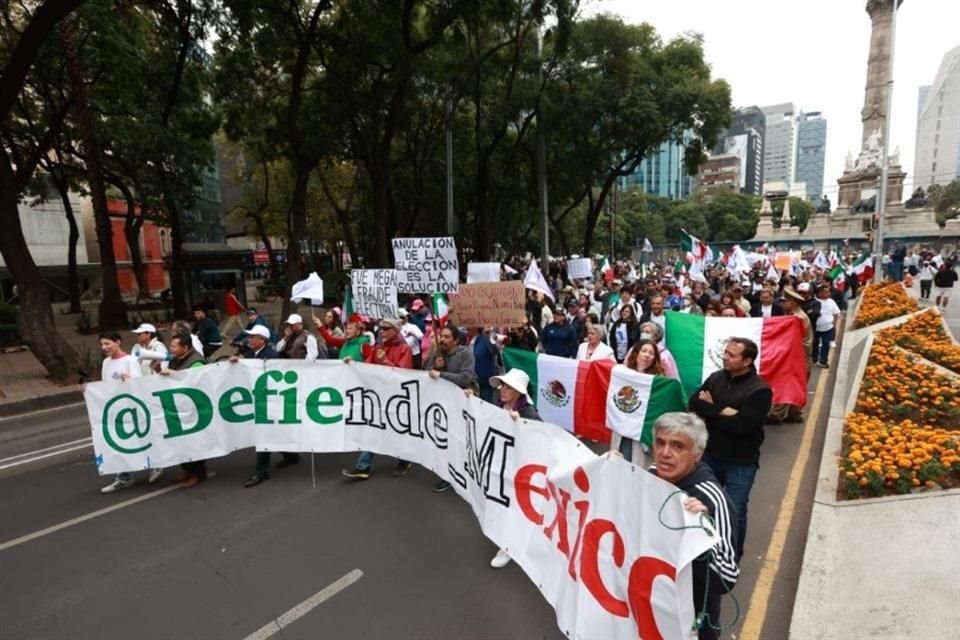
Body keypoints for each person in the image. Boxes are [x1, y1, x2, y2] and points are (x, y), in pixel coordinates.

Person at [649, 412, 739, 640]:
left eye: (678, 446)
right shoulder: (647, 477)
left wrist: (699, 535)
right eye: (660, 442)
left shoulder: (712, 499)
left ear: (697, 455)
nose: (665, 453)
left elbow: (727, 577)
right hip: (649, 609)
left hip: (690, 623)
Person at [688, 337, 773, 560]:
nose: (725, 357)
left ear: (747, 361)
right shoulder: (716, 378)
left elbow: (744, 425)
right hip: (710, 455)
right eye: (726, 352)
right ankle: (704, 550)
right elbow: (694, 403)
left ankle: (731, 556)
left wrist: (711, 409)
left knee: (734, 510)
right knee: (703, 504)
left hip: (741, 461)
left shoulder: (760, 390)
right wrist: (724, 411)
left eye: (732, 355)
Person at [342, 318, 414, 480]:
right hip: (378, 396)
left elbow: (404, 375)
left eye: (385, 328)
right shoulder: (378, 347)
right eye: (380, 328)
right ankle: (363, 467)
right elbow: (368, 366)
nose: (381, 331)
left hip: (397, 398)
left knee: (397, 430)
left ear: (395, 331)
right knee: (373, 429)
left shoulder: (404, 349)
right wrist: (354, 364)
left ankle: (405, 460)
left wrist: (385, 361)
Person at [488, 369, 541, 570]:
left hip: (519, 468)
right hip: (501, 463)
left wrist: (522, 425)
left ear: (519, 392)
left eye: (508, 387)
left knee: (512, 506)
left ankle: (509, 547)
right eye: (503, 385)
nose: (503, 390)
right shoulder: (499, 404)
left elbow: (540, 439)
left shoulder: (528, 413)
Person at [230, 326, 290, 488]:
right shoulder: (252, 354)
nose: (249, 340)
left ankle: (262, 471)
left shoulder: (271, 356)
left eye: (253, 337)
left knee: (263, 435)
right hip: (260, 400)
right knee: (275, 431)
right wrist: (238, 360)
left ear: (262, 340)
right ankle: (291, 455)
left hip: (270, 401)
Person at [428, 325, 478, 493]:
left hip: (463, 404)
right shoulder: (438, 354)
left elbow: (465, 378)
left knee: (461, 440)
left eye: (447, 337)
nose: (442, 339)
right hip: (444, 405)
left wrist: (441, 374)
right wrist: (436, 367)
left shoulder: (465, 354)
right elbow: (426, 375)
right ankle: (448, 474)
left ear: (456, 340)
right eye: (441, 336)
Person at [98, 332, 145, 494]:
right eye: (102, 344)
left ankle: (155, 463)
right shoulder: (106, 362)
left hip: (131, 408)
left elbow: (139, 383)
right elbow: (105, 385)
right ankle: (124, 476)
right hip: (115, 409)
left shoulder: (130, 360)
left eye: (107, 343)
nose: (104, 347)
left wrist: (129, 379)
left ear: (118, 342)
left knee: (140, 439)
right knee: (119, 441)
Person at [163, 332, 209, 488]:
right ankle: (187, 469)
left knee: (193, 442)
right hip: (179, 405)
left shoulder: (196, 361)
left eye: (174, 346)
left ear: (185, 347)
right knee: (180, 441)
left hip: (193, 408)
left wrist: (173, 374)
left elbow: (194, 381)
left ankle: (198, 473)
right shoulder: (176, 360)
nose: (171, 349)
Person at [813, 284, 842, 368]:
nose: (828, 294)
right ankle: (814, 358)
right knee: (815, 344)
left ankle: (823, 360)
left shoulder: (831, 302)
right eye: (826, 292)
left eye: (828, 292)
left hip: (828, 328)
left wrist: (833, 324)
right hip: (816, 328)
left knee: (826, 344)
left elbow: (836, 313)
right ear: (819, 293)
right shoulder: (814, 302)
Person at [472, 327, 501, 404]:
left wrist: (490, 336)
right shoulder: (464, 338)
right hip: (471, 380)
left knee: (485, 405)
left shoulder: (486, 338)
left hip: (484, 380)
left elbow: (495, 350)